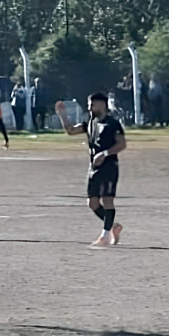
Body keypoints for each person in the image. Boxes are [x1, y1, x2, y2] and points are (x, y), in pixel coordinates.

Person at [55, 94, 127, 247]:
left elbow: (122, 144)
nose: (89, 107)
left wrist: (105, 153)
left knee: (107, 200)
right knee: (92, 202)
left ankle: (105, 236)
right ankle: (113, 227)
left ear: (102, 105)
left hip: (109, 166)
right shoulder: (90, 123)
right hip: (94, 167)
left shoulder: (112, 124)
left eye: (92, 104)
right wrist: (63, 115)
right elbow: (70, 131)